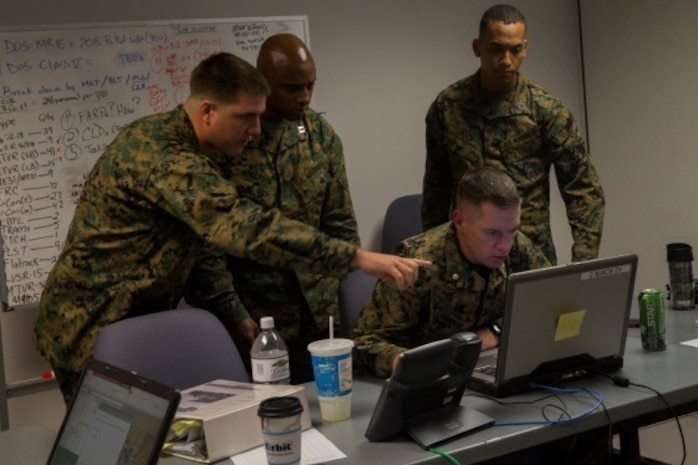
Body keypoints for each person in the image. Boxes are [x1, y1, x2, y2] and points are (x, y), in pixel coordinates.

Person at [33, 52, 429, 404]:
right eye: (246, 117)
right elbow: (243, 227)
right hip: (89, 325)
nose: (256, 130)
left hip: (135, 318)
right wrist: (356, 257)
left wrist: (231, 310)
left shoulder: (204, 152)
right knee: (112, 443)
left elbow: (202, 246)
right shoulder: (161, 156)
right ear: (208, 111)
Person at [421, 3, 605, 265]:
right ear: (478, 47)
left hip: (528, 255)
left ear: (525, 49)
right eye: (496, 48)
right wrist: (433, 257)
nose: (506, 60)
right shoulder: (448, 107)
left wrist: (584, 262)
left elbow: (584, 189)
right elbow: (435, 190)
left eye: (515, 49)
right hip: (465, 257)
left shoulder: (546, 110)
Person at [226, 34, 360, 383]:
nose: (304, 97)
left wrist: (348, 293)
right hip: (259, 318)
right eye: (291, 88)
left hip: (321, 312)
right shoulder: (232, 139)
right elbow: (208, 246)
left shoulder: (320, 134)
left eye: (310, 86)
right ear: (262, 81)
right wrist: (233, 311)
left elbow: (341, 222)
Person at [353, 167, 550, 378]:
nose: (504, 245)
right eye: (491, 233)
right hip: (428, 384)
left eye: (512, 230)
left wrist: (495, 331)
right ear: (459, 221)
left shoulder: (515, 246)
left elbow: (550, 297)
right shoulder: (417, 261)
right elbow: (362, 344)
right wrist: (407, 361)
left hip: (485, 368)